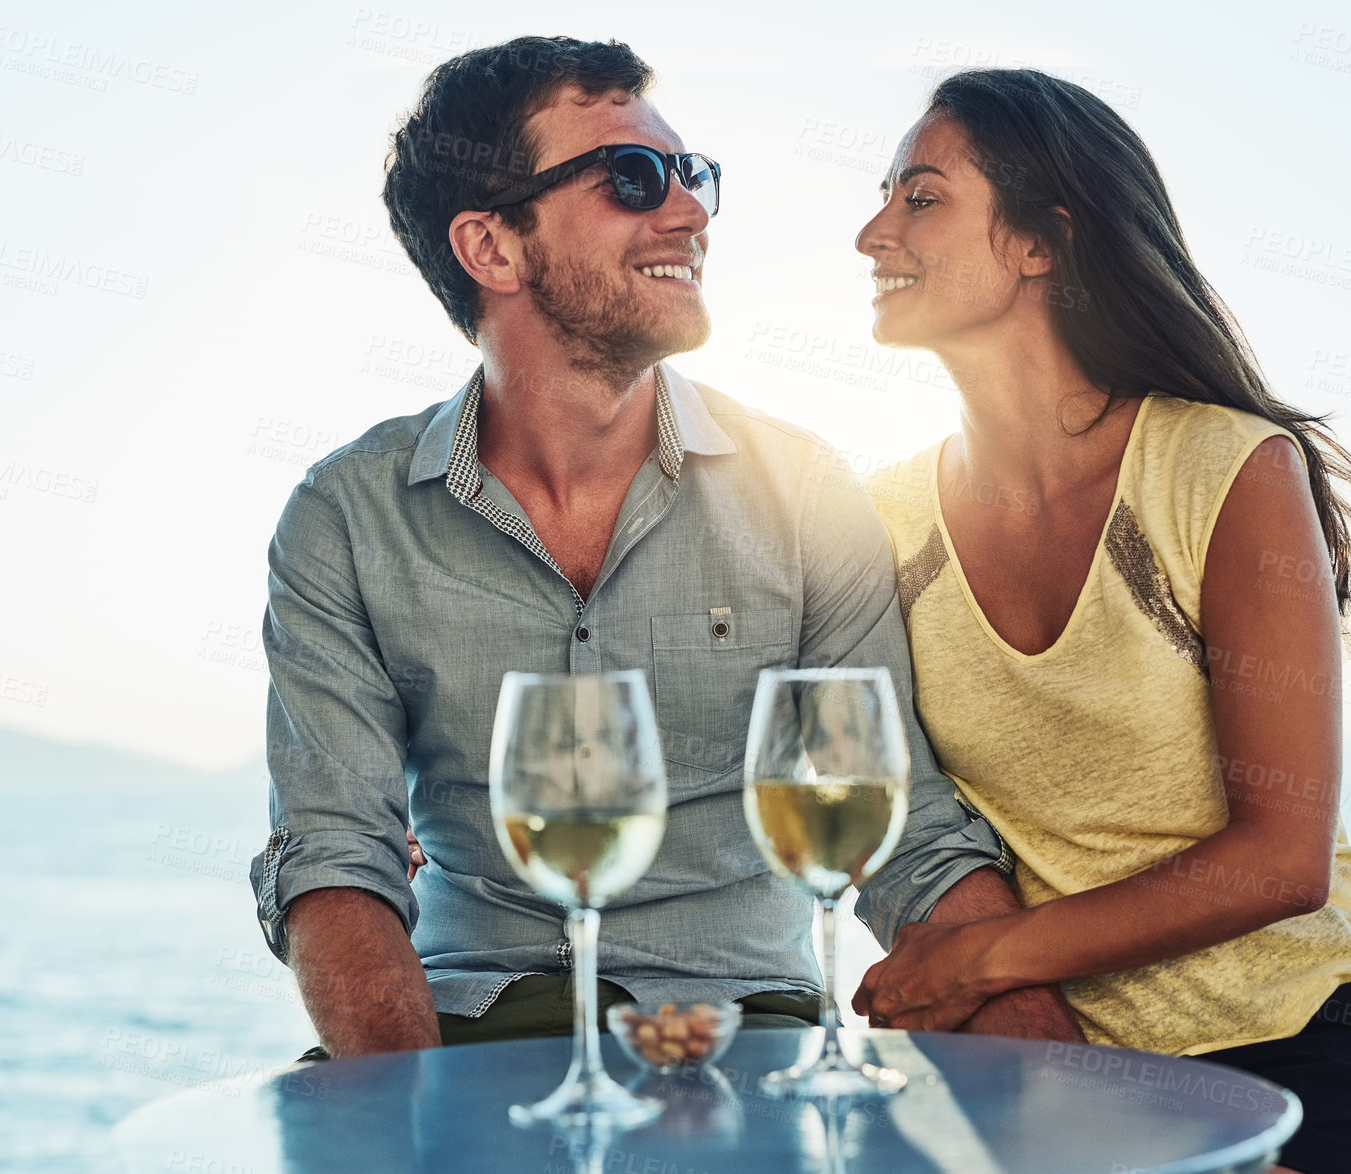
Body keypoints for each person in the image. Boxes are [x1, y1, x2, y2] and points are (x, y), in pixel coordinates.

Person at [248, 36, 1078, 1060]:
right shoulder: (345, 517)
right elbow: (335, 857)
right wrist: (415, 1121)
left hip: (751, 1035)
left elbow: (899, 827)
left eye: (693, 176)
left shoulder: (807, 490)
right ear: (493, 248)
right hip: (461, 1033)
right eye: (632, 179)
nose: (687, 210)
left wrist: (1095, 1106)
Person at [849, 70, 1351, 1174]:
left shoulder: (1223, 467)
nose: (872, 231)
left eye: (920, 198)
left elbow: (1281, 859)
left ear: (1040, 241)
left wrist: (978, 961)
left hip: (1303, 1038)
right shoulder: (880, 521)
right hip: (1043, 1060)